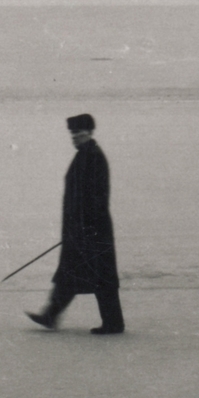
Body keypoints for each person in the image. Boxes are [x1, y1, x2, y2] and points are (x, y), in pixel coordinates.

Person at [26, 113, 123, 335]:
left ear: (88, 133)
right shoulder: (85, 154)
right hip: (83, 227)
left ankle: (113, 323)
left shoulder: (92, 156)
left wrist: (82, 227)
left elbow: (96, 197)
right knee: (73, 273)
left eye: (78, 133)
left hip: (91, 229)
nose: (74, 137)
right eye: (72, 133)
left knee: (98, 277)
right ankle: (51, 315)